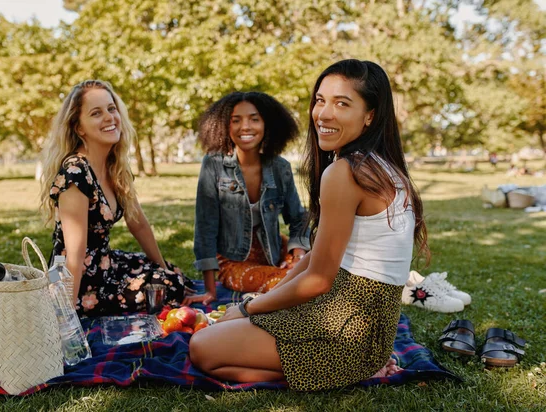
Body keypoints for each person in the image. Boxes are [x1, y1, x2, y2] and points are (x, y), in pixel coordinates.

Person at [189, 59, 430, 391]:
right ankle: (346, 370)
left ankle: (346, 371)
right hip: (368, 328)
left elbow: (317, 280)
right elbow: (314, 258)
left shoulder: (346, 172)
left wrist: (246, 308)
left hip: (346, 328)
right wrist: (263, 301)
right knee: (215, 343)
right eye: (320, 100)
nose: (324, 114)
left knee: (201, 348)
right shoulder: (380, 165)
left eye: (342, 103)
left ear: (370, 115)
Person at [40, 80, 190, 316]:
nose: (110, 117)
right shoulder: (75, 174)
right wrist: (63, 320)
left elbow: (138, 223)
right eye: (96, 113)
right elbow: (74, 256)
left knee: (172, 274)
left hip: (106, 264)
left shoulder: (115, 166)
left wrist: (162, 267)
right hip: (79, 283)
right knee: (167, 286)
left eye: (111, 109)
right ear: (79, 127)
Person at [187, 91, 310, 305]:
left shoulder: (280, 167)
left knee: (321, 271)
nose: (245, 127)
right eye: (236, 120)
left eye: (254, 119)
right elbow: (205, 227)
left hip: (276, 252)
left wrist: (297, 258)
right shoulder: (213, 164)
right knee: (291, 284)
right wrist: (210, 290)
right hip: (233, 262)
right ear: (225, 126)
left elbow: (298, 219)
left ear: (267, 125)